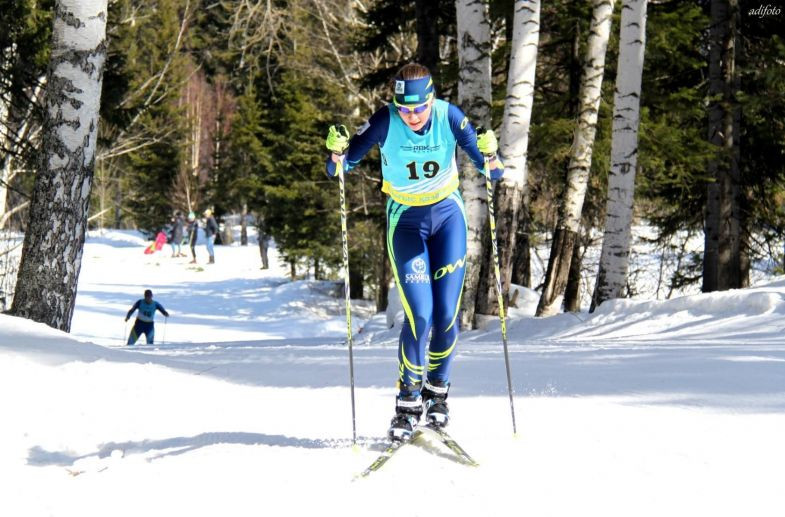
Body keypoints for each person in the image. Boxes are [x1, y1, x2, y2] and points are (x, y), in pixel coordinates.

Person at [324, 63, 503, 441]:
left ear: (431, 99)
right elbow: (340, 166)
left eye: (418, 108)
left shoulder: (449, 117)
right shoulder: (385, 121)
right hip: (405, 221)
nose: (412, 116)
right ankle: (407, 403)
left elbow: (490, 169)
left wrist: (491, 154)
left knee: (447, 316)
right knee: (419, 316)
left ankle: (437, 395)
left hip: (448, 220)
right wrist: (337, 152)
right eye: (404, 109)